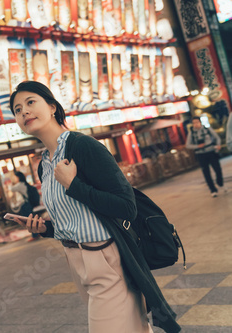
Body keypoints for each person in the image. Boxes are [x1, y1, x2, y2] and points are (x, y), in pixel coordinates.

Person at [9, 81, 180, 333]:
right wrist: (45, 229)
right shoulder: (44, 165)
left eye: (30, 102)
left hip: (106, 258)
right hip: (77, 262)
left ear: (53, 107)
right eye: (17, 109)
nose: (23, 111)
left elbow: (126, 207)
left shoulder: (82, 147)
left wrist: (73, 184)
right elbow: (78, 219)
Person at [185, 116, 226, 197]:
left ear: (200, 122)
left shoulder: (207, 129)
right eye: (193, 123)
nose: (195, 124)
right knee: (206, 173)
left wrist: (218, 145)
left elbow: (217, 137)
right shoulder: (192, 133)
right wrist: (197, 146)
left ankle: (220, 183)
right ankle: (213, 190)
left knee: (217, 169)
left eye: (197, 122)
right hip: (200, 154)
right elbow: (187, 145)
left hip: (211, 152)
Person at [10, 171, 39, 241]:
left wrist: (12, 181)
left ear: (18, 177)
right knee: (30, 220)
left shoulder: (20, 184)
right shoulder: (24, 184)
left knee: (28, 221)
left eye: (15, 177)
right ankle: (36, 233)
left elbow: (11, 189)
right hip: (27, 204)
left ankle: (35, 235)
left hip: (25, 205)